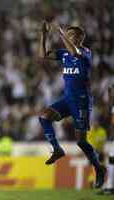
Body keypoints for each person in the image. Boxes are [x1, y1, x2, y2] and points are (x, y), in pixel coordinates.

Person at [38, 21, 106, 188]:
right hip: (67, 99)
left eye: (71, 35)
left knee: (81, 141)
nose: (68, 36)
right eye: (67, 34)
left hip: (81, 100)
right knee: (44, 117)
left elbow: (75, 52)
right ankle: (57, 149)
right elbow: (43, 55)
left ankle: (98, 168)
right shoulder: (63, 54)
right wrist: (44, 35)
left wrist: (61, 34)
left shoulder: (85, 53)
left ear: (80, 38)